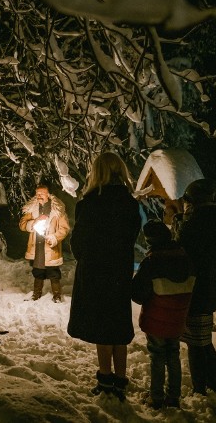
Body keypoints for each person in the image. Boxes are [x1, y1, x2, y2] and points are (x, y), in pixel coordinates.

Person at [67, 152, 141, 401]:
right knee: (119, 325)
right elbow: (130, 238)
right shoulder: (130, 204)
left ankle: (106, 378)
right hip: (119, 272)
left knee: (101, 326)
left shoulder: (88, 204)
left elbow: (78, 243)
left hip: (96, 273)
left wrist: (88, 258)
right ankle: (120, 379)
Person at [173, 179, 216, 395]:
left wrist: (178, 223)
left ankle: (200, 388)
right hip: (211, 286)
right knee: (204, 340)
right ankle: (211, 383)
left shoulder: (194, 224)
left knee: (196, 343)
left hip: (195, 288)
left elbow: (180, 248)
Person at [132, 220, 195, 410]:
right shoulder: (185, 257)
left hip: (156, 317)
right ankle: (174, 396)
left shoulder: (152, 261)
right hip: (178, 318)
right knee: (173, 354)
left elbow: (137, 292)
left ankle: (156, 397)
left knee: (157, 356)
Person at [19, 183, 70, 302]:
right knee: (38, 270)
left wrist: (54, 237)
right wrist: (34, 221)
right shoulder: (32, 209)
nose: (39, 196)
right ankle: (36, 294)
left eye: (42, 193)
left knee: (53, 272)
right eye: (37, 194)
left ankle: (57, 295)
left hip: (50, 247)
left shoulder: (57, 210)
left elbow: (64, 228)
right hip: (37, 246)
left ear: (48, 194)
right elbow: (22, 224)